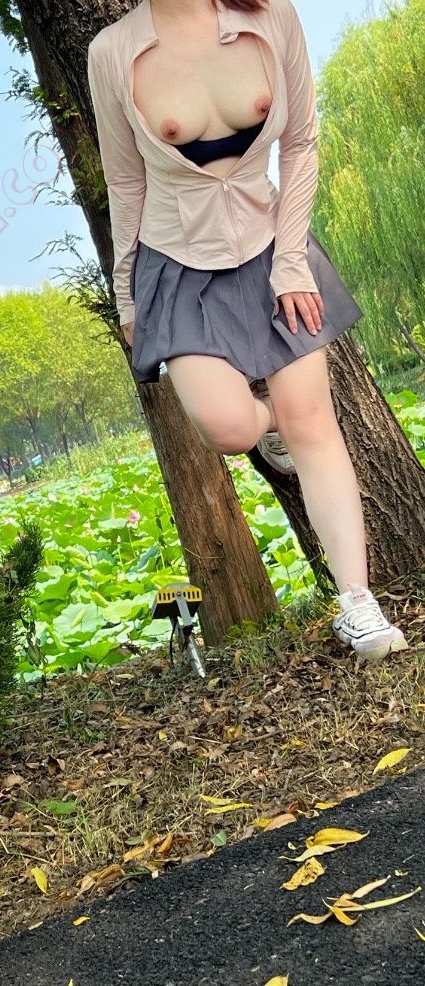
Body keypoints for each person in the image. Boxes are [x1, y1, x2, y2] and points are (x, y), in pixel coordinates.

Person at [87, 0, 408, 661]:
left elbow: (302, 142)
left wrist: (291, 262)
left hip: (271, 246)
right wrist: (126, 296)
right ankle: (271, 423)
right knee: (229, 428)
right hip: (177, 264)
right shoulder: (113, 53)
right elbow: (125, 180)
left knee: (312, 421)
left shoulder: (269, 17)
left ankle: (357, 604)